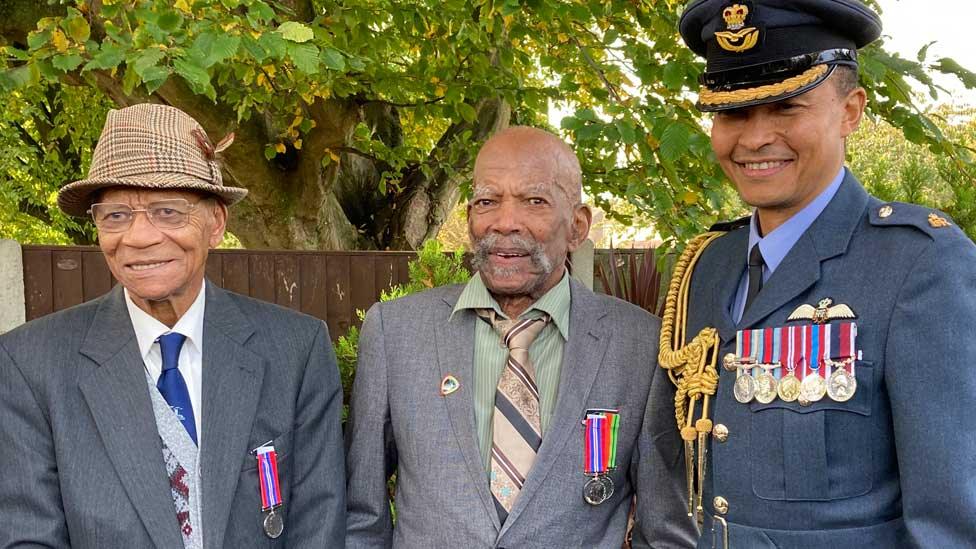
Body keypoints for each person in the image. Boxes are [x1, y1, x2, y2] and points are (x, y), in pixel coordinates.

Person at [659, 1, 976, 547]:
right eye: (732, 113)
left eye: (785, 107)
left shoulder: (919, 263)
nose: (754, 138)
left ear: (850, 110)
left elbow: (952, 520)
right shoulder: (705, 266)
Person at [0, 104, 346, 548]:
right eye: (116, 215)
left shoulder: (296, 349)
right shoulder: (31, 363)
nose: (139, 237)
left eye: (167, 211)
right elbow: (28, 537)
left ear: (216, 222)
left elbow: (320, 521)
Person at [344, 126, 696, 548]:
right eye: (487, 201)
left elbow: (666, 533)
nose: (505, 222)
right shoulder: (395, 333)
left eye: (535, 201)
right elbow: (359, 518)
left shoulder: (639, 346)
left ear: (578, 227)